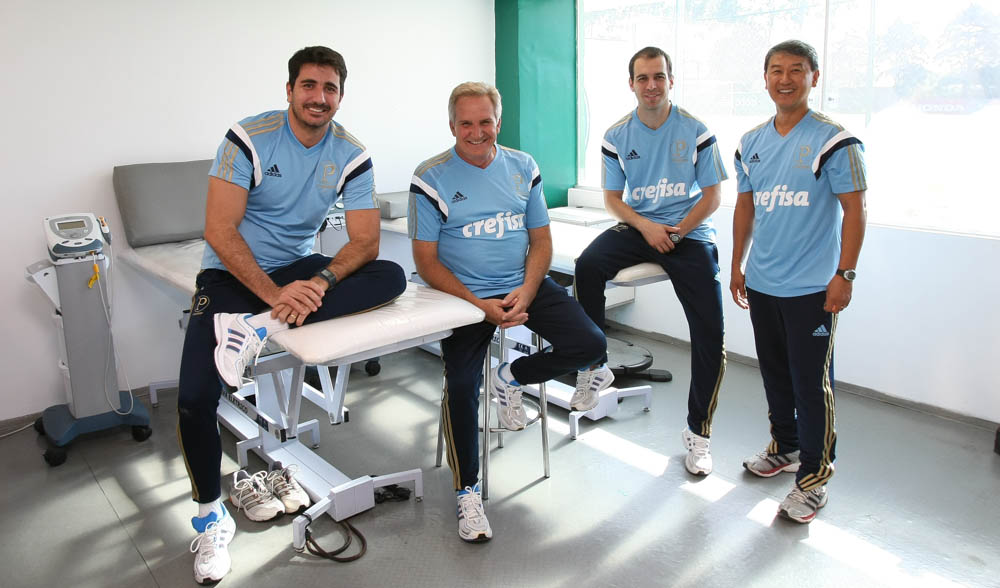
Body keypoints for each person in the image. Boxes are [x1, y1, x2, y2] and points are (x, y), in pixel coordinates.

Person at [179, 46, 405, 583]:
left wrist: (319, 281)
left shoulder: (351, 153)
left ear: (340, 96)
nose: (319, 98)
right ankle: (211, 520)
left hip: (297, 272)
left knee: (391, 274)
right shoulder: (248, 137)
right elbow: (220, 231)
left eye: (330, 89)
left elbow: (366, 240)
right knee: (192, 398)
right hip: (231, 274)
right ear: (289, 90)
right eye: (309, 86)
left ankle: (259, 328)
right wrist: (276, 294)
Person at [408, 82, 607, 542]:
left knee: (592, 344)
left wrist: (527, 288)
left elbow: (541, 241)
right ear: (452, 125)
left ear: (498, 122)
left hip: (522, 286)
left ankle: (512, 377)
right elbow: (426, 262)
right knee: (459, 386)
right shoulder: (431, 176)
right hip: (462, 298)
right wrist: (479, 306)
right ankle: (468, 492)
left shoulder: (523, 167)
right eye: (466, 123)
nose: (477, 132)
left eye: (485, 122)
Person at [574, 47, 728, 476]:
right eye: (643, 78)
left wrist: (676, 232)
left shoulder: (695, 130)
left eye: (659, 76)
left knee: (710, 334)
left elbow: (714, 197)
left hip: (689, 231)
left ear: (671, 81)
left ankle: (699, 433)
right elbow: (611, 200)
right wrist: (646, 227)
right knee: (587, 267)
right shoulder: (616, 134)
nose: (651, 85)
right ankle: (593, 367)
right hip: (641, 226)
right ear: (632, 84)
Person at [731, 39, 867, 524]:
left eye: (796, 70)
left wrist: (844, 274)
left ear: (814, 76)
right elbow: (746, 205)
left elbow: (856, 209)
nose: (785, 79)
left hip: (813, 289)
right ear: (764, 78)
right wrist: (737, 264)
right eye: (776, 70)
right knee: (775, 374)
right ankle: (785, 446)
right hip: (764, 282)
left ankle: (814, 477)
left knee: (812, 385)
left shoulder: (836, 140)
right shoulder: (750, 142)